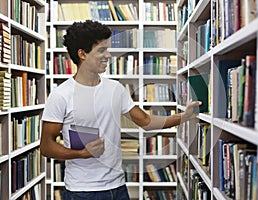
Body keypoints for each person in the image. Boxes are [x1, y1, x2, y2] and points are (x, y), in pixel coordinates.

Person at [40, 20, 201, 200]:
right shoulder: (61, 95)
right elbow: (46, 146)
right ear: (82, 54)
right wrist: (80, 153)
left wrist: (184, 116)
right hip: (82, 191)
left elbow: (146, 122)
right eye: (101, 50)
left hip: (117, 187)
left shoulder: (115, 89)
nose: (108, 55)